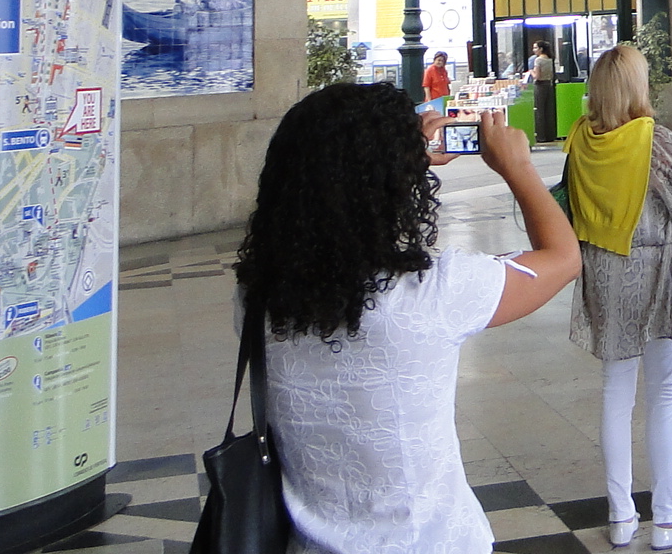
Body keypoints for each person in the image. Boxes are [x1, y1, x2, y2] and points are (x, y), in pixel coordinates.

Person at [236, 84, 578, 552]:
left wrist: (391, 164)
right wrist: (517, 167)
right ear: (394, 184)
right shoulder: (433, 293)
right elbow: (561, 257)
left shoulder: (256, 296)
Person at [566, 47, 672, 549]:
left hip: (602, 272)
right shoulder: (653, 139)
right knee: (664, 393)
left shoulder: (580, 140)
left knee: (615, 391)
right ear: (635, 87)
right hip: (653, 274)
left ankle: (621, 518)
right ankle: (668, 521)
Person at [529, 40, 558, 143]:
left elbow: (537, 76)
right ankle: (550, 135)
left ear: (541, 49)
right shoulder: (550, 59)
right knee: (549, 111)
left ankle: (540, 136)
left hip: (540, 86)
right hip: (548, 85)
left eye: (536, 48)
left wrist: (531, 71)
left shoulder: (538, 60)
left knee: (539, 111)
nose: (534, 50)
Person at [422, 51, 452, 115]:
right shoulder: (429, 70)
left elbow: (447, 84)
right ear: (434, 60)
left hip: (444, 98)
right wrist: (429, 101)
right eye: (438, 60)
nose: (440, 62)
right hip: (434, 100)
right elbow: (426, 86)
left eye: (442, 61)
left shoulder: (444, 71)